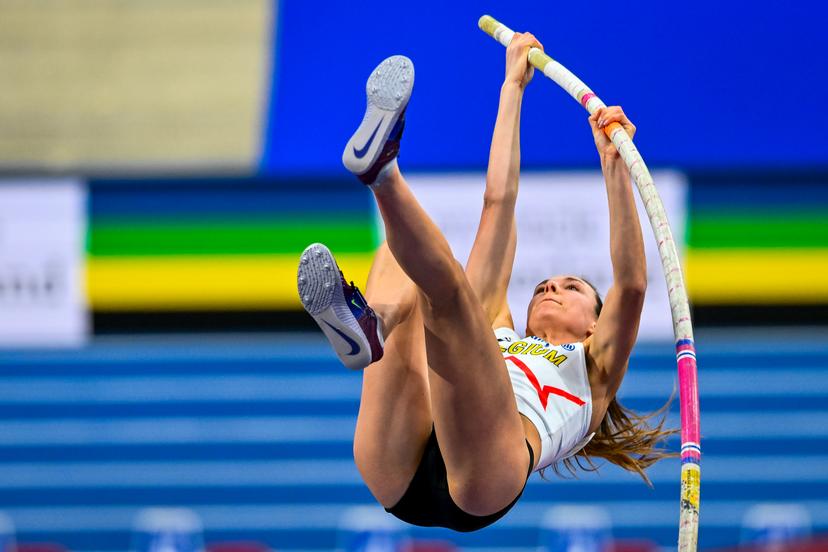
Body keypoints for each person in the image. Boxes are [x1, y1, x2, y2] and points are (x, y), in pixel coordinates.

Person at [297, 33, 674, 532]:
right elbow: (499, 202)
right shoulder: (498, 329)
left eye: (571, 288)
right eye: (547, 284)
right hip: (397, 460)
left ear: (593, 325)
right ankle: (373, 323)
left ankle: (384, 169)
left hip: (487, 474)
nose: (549, 288)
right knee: (405, 260)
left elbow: (631, 285)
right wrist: (512, 86)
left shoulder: (594, 367)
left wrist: (613, 167)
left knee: (450, 299)